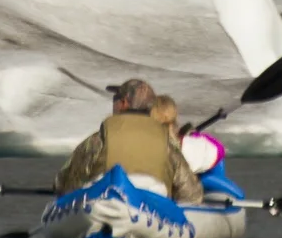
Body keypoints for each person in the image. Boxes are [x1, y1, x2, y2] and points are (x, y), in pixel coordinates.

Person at [56, 78, 203, 202]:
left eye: (116, 99)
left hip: (104, 209)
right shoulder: (167, 143)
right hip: (152, 217)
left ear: (124, 103)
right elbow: (191, 194)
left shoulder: (100, 139)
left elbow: (67, 183)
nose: (113, 104)